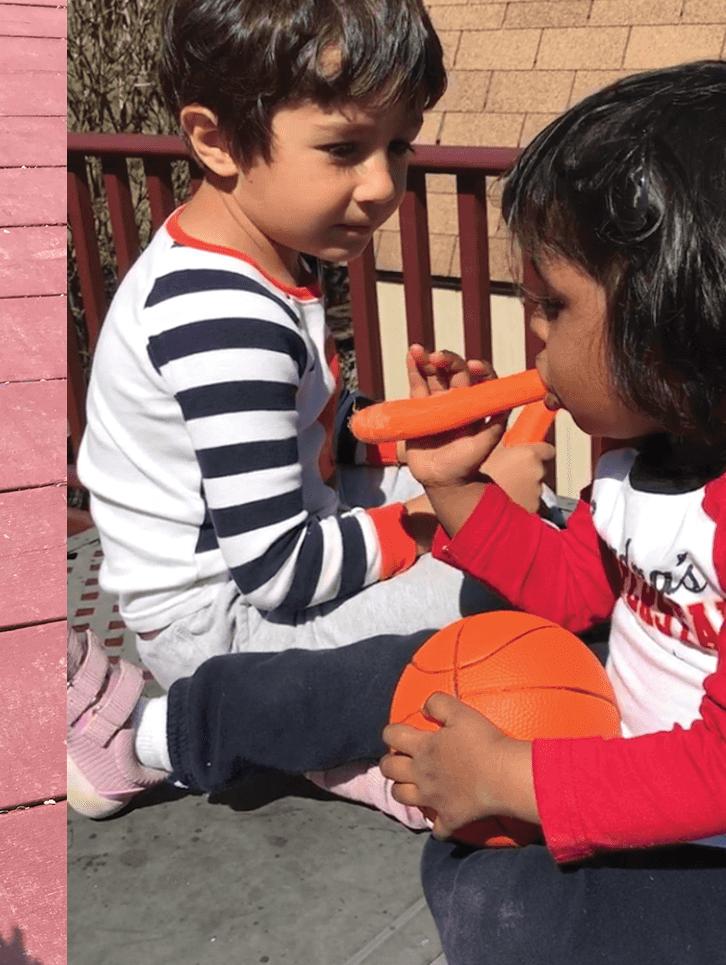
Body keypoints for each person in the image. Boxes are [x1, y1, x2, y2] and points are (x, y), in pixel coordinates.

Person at [373, 61, 726, 965]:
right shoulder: (635, 444)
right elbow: (578, 588)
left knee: (518, 926)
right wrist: (459, 492)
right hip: (642, 776)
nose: (532, 336)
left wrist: (511, 778)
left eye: (555, 306)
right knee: (456, 804)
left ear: (682, 319)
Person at [69, 0, 549, 820]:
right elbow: (276, 570)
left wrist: (422, 443)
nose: (383, 185)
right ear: (215, 139)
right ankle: (275, 740)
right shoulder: (223, 319)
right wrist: (457, 502)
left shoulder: (251, 261)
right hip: (224, 634)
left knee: (539, 533)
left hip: (273, 561)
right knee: (509, 578)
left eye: (398, 146)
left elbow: (309, 421)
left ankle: (337, 741)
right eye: (343, 149)